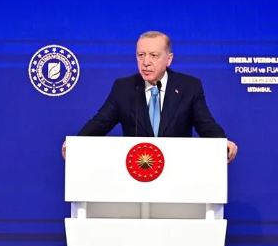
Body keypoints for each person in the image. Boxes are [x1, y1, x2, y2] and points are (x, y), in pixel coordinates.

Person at [63, 31, 238, 163]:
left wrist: (221, 143)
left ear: (169, 59)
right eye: (141, 55)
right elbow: (100, 123)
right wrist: (77, 143)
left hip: (177, 171)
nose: (146, 62)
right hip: (136, 174)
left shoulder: (189, 87)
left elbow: (205, 124)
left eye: (154, 55)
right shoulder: (123, 88)